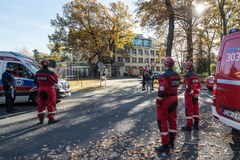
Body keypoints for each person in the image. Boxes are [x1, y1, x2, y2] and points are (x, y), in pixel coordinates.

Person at [155, 57, 180, 154]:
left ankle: (165, 145)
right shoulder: (177, 75)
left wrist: (158, 100)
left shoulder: (164, 76)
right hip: (174, 99)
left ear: (165, 64)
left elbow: (162, 90)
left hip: (165, 100)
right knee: (172, 120)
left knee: (162, 121)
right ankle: (172, 142)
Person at [35, 59, 59, 124]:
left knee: (41, 103)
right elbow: (56, 80)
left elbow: (35, 81)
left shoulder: (38, 73)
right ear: (48, 64)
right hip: (49, 89)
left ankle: (41, 119)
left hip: (41, 88)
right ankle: (51, 118)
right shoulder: (51, 73)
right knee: (50, 103)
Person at [181, 61, 202, 132]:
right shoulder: (196, 75)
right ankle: (196, 125)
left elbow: (188, 87)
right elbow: (199, 85)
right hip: (195, 95)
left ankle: (189, 126)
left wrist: (192, 94)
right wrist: (196, 93)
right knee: (195, 109)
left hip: (189, 95)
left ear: (187, 67)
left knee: (189, 110)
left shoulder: (187, 75)